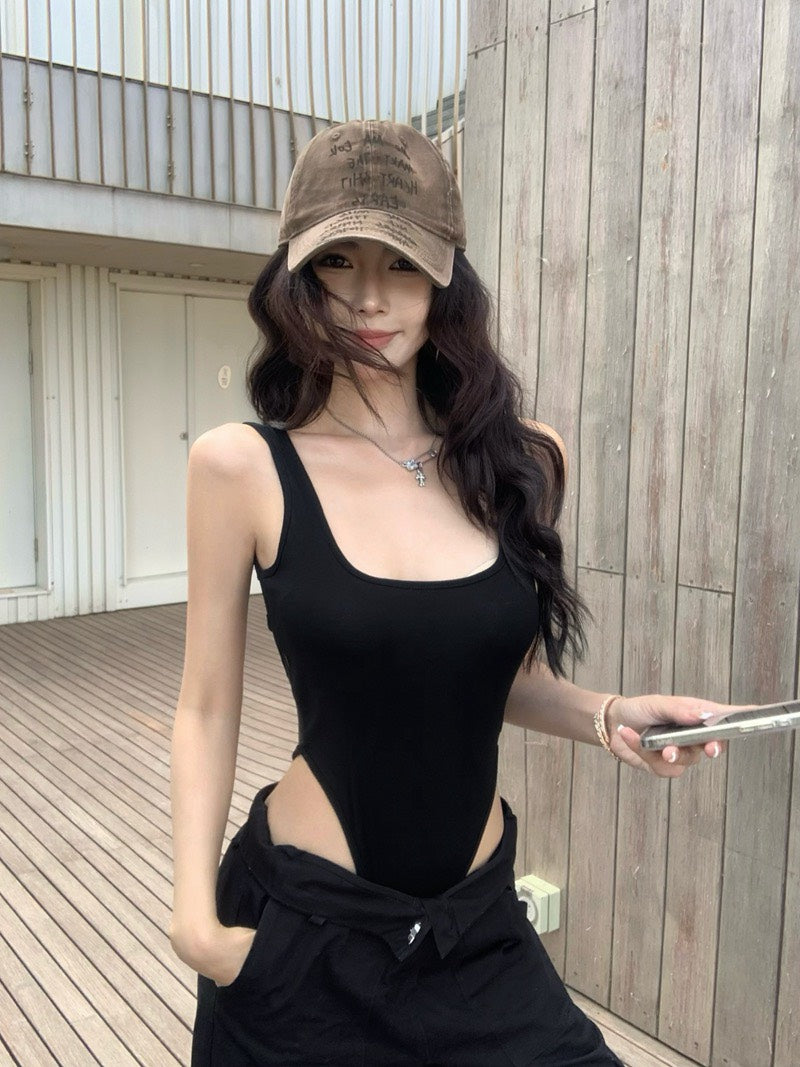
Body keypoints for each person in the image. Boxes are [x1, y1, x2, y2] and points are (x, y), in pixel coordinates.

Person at [169, 119, 744, 1066]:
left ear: (447, 279)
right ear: (295, 277)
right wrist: (197, 921)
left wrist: (611, 714)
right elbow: (205, 704)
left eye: (401, 263)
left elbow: (493, 679)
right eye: (337, 261)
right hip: (309, 935)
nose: (368, 296)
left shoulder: (522, 461)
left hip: (476, 932)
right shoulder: (243, 467)